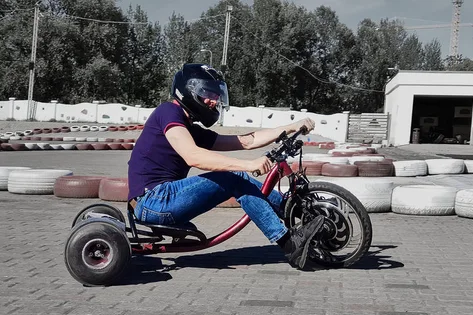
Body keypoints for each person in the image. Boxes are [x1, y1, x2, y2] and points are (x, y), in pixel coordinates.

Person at [127, 63, 325, 270]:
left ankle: (290, 211)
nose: (214, 101)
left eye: (216, 94)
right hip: (153, 201)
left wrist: (292, 126)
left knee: (239, 177)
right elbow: (193, 156)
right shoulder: (168, 112)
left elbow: (246, 141)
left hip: (160, 200)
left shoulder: (190, 128)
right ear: (188, 90)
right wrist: (249, 165)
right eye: (208, 93)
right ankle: (289, 244)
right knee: (232, 179)